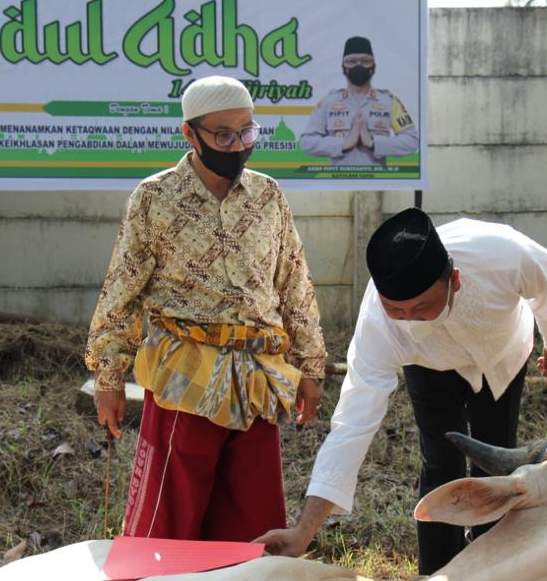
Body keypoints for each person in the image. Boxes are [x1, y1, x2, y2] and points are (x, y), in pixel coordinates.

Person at [256, 208, 547, 575]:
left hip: (501, 355)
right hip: (428, 366)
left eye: (422, 307)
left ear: (454, 280)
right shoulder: (378, 325)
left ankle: (494, 569)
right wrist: (304, 529)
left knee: (497, 453)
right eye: (396, 308)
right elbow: (352, 424)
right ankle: (438, 575)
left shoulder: (503, 255)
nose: (409, 317)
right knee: (440, 459)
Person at [85, 75, 327, 543]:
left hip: (257, 378)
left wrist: (311, 365)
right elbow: (122, 290)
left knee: (253, 523)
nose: (238, 145)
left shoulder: (268, 196)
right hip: (183, 377)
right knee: (169, 523)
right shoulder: (154, 198)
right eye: (223, 135)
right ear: (189, 134)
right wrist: (109, 377)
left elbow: (295, 283)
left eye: (247, 132)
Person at [300, 36, 419, 167]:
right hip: (338, 181)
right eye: (351, 61)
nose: (358, 66)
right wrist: (344, 144)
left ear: (374, 66)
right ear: (343, 67)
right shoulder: (329, 102)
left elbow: (412, 140)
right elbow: (307, 142)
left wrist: (373, 143)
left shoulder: (388, 101)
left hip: (378, 182)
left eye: (365, 61)